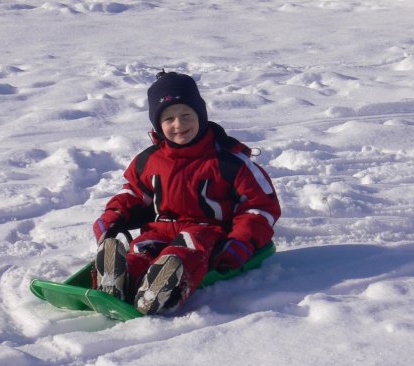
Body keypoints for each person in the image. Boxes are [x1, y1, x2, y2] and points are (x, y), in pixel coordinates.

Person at [92, 70, 281, 315]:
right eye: (168, 119)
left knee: (185, 252)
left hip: (207, 231)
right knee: (141, 250)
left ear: (201, 116)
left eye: (186, 115)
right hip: (159, 228)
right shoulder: (149, 161)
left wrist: (240, 242)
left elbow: (260, 207)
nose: (179, 125)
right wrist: (114, 215)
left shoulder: (228, 161)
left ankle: (165, 286)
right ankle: (119, 278)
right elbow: (135, 195)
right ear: (158, 125)